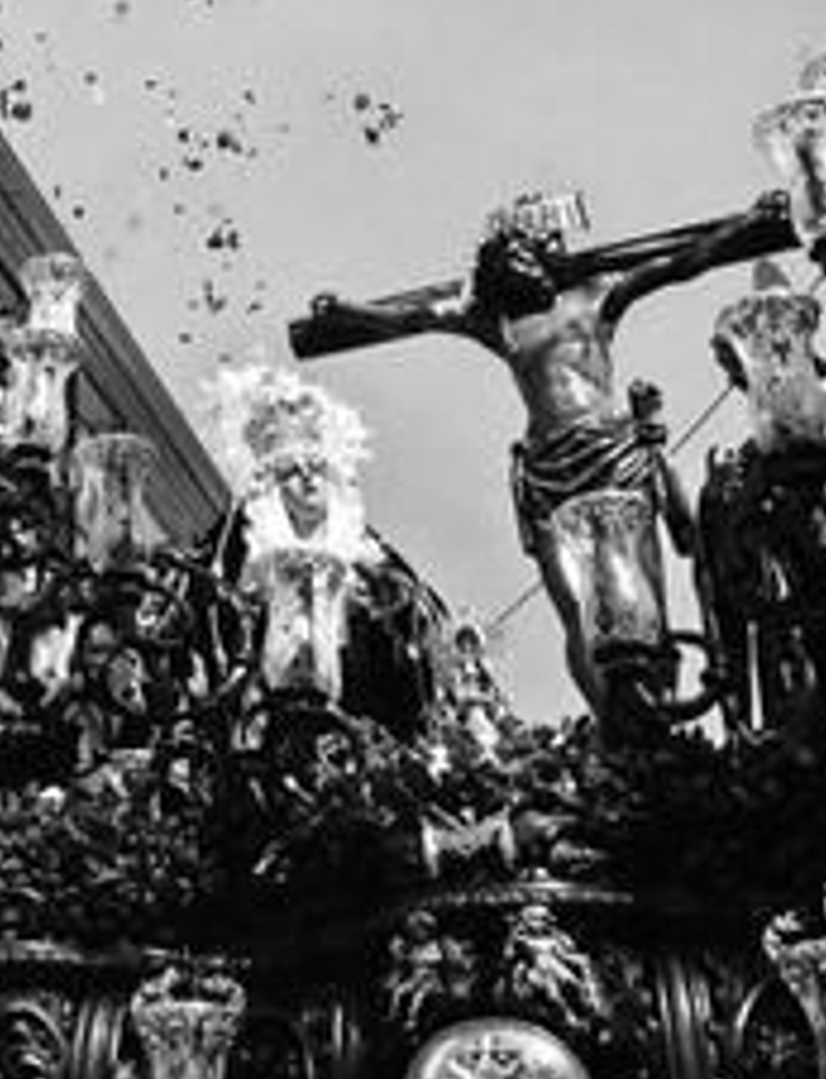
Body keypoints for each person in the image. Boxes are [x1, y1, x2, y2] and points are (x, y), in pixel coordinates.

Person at [301, 190, 788, 718]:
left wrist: (747, 224)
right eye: (503, 259)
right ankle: (611, 715)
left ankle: (659, 705)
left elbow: (682, 262)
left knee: (641, 593)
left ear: (545, 256)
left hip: (612, 452)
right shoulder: (496, 321)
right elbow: (412, 319)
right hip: (547, 470)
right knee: (575, 606)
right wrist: (348, 310)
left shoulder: (596, 296)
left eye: (522, 253)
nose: (515, 264)